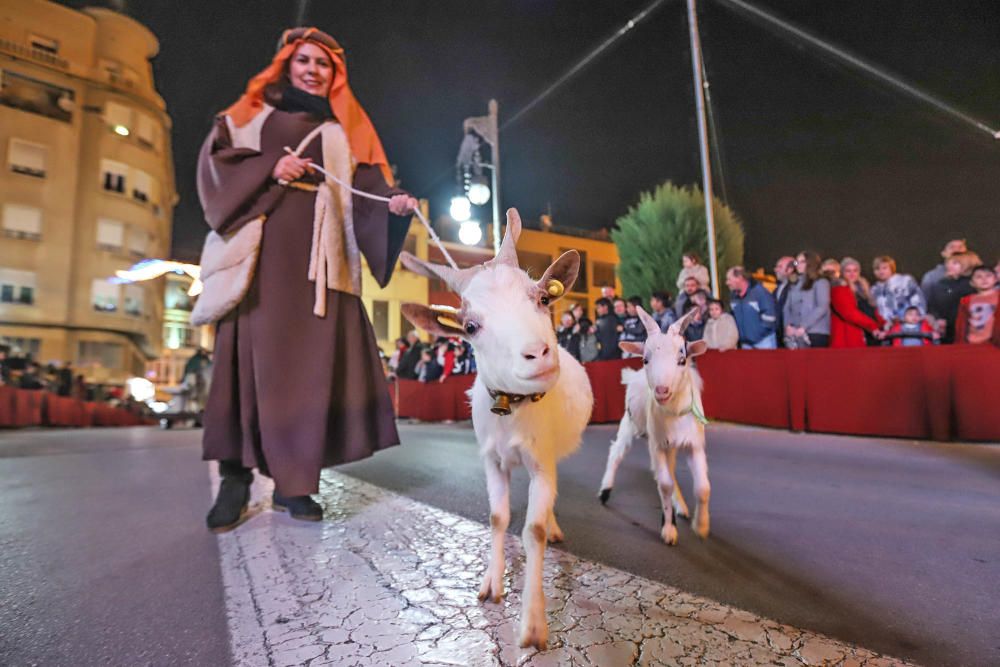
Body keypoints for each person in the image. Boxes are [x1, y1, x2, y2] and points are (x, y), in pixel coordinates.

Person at [198, 27, 418, 531]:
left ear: (334, 75)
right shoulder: (252, 115)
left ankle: (294, 485)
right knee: (244, 366)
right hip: (260, 260)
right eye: (305, 61)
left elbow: (367, 188)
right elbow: (216, 164)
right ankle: (234, 479)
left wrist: (395, 204)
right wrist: (271, 169)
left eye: (324, 64)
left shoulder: (344, 131)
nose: (314, 70)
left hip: (320, 266)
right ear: (286, 65)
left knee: (307, 376)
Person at [926, 251, 980, 344]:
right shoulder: (942, 283)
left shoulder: (970, 286)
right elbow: (933, 304)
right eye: (948, 263)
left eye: (955, 263)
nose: (949, 266)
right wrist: (937, 319)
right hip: (942, 330)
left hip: (963, 331)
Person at [783, 251, 831, 348]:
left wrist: (803, 326)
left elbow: (822, 307)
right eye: (797, 262)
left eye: (802, 262)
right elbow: (787, 307)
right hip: (795, 333)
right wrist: (788, 326)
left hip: (816, 332)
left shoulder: (821, 282)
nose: (798, 265)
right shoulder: (794, 283)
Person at [726, 266, 779, 349]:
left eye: (729, 279)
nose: (727, 283)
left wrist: (757, 334)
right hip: (746, 344)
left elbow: (770, 317)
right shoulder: (733, 296)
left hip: (764, 342)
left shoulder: (760, 293)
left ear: (739, 278)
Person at [871, 256, 926, 329]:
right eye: (877, 269)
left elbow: (918, 301)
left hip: (909, 326)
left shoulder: (905, 281)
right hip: (887, 329)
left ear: (891, 268)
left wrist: (912, 318)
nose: (881, 271)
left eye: (884, 268)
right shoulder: (874, 290)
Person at [829, 271, 880, 348]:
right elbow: (849, 313)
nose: (852, 273)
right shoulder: (839, 289)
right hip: (847, 338)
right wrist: (872, 326)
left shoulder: (864, 290)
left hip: (870, 336)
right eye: (848, 271)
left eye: (855, 270)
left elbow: (873, 311)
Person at [955, 266, 999, 346]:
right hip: (972, 343)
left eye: (988, 276)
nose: (984, 279)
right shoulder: (966, 301)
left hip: (995, 344)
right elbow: (961, 325)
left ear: (995, 279)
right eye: (979, 277)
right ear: (972, 282)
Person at [773, 256, 796, 343]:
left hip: (790, 334)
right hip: (779, 335)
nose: (776, 270)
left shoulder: (795, 288)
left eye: (780, 266)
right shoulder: (777, 289)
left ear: (790, 269)